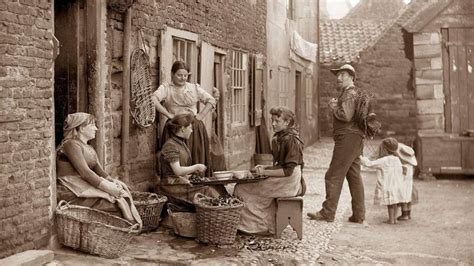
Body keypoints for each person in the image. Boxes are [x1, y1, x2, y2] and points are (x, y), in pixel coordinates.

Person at [56, 112, 142, 225]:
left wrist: (113, 182)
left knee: (122, 194)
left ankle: (123, 229)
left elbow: (98, 170)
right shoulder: (70, 145)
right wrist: (108, 188)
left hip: (82, 185)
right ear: (81, 128)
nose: (96, 129)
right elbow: (85, 173)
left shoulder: (88, 147)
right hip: (71, 189)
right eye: (92, 125)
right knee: (111, 203)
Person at [307, 64, 366, 224]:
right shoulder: (353, 93)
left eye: (343, 75)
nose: (339, 78)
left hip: (347, 138)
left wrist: (333, 106)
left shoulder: (349, 94)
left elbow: (345, 116)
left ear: (351, 77)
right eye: (338, 75)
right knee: (354, 176)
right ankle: (359, 215)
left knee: (333, 175)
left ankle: (328, 212)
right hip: (355, 138)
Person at [234, 106, 304, 235]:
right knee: (244, 185)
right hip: (284, 178)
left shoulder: (292, 140)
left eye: (277, 121)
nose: (273, 124)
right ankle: (261, 223)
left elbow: (288, 171)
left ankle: (257, 227)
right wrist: (264, 168)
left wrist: (265, 172)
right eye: (272, 120)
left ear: (287, 122)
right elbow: (280, 165)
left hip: (289, 181)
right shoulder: (281, 137)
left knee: (242, 188)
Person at [152, 61, 216, 176]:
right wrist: (168, 114)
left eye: (185, 75)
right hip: (175, 127)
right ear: (172, 74)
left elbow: (211, 100)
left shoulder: (194, 88)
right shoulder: (166, 88)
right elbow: (153, 100)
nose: (182, 78)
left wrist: (200, 116)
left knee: (195, 153)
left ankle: (198, 180)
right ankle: (177, 181)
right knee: (175, 155)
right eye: (179, 75)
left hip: (193, 128)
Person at [158, 113, 222, 208]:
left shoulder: (181, 143)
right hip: (171, 187)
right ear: (183, 129)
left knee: (217, 188)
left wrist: (190, 176)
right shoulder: (170, 145)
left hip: (180, 183)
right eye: (190, 128)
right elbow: (177, 171)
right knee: (208, 192)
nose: (192, 131)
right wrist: (196, 167)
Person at [359, 138, 415, 224]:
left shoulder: (384, 160)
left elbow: (369, 164)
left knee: (390, 205)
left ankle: (391, 220)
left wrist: (361, 158)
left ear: (384, 149)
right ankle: (395, 219)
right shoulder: (397, 159)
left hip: (388, 185)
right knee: (395, 203)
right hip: (397, 186)